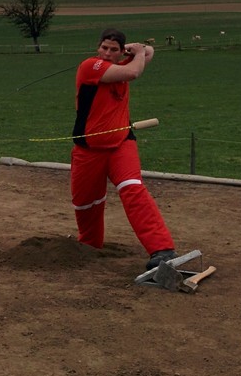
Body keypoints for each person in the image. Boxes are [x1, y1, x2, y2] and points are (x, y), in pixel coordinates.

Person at [70, 28, 177, 271]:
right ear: (98, 48)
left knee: (133, 189)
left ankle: (162, 249)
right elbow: (134, 71)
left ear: (121, 52)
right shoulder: (91, 66)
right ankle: (88, 245)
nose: (107, 53)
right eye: (104, 48)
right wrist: (137, 54)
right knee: (86, 203)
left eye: (114, 50)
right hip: (88, 149)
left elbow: (149, 53)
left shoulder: (123, 63)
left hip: (121, 144)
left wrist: (138, 50)